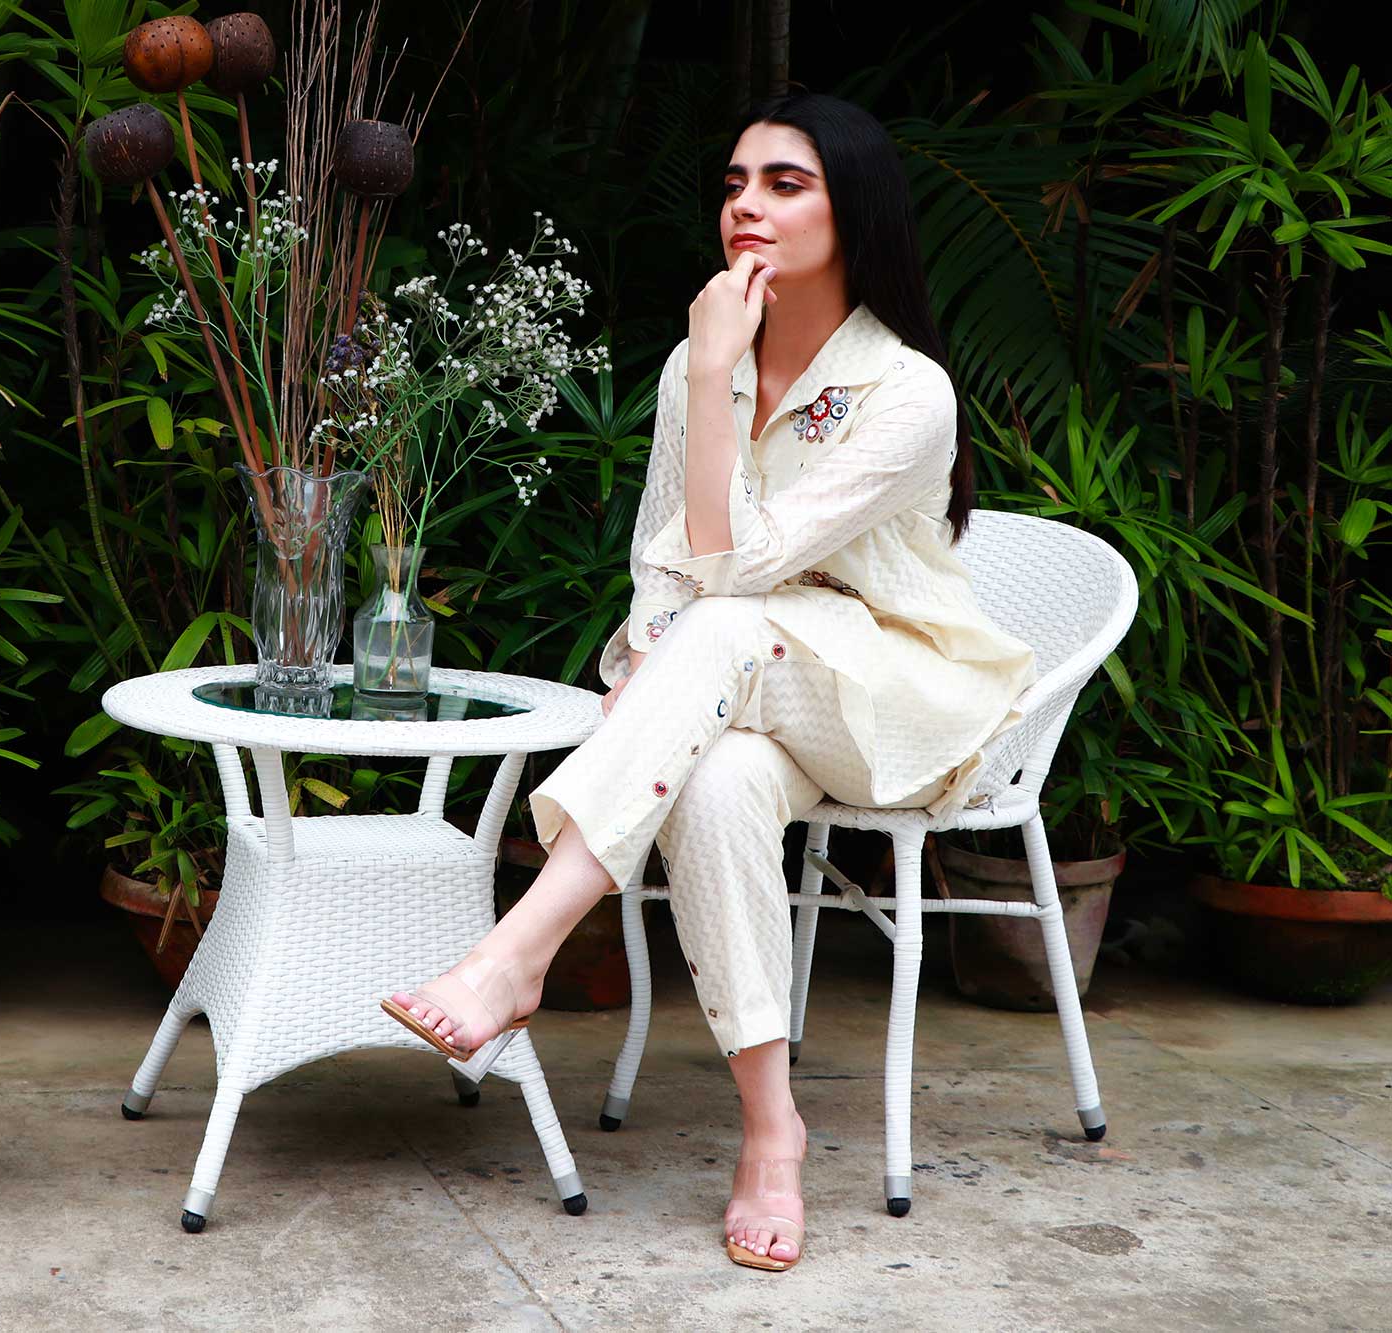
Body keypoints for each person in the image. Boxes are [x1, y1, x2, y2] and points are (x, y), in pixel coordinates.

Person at [379, 92, 1038, 1273]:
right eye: (735, 182)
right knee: (720, 782)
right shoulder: (701, 360)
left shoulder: (906, 390)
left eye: (785, 184)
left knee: (726, 625)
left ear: (854, 210)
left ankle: (516, 950)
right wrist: (651, 661)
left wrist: (721, 368)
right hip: (747, 685)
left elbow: (736, 569)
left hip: (895, 698)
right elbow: (663, 553)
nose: (746, 206)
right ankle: (772, 1134)